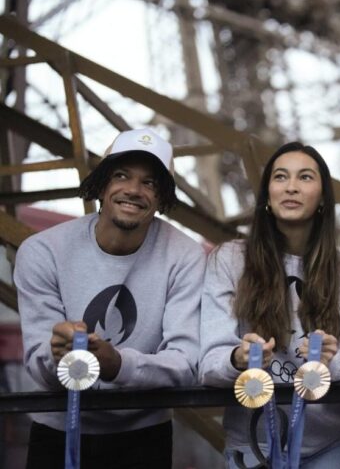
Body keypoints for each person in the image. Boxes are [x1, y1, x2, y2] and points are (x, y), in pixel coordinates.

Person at [15, 128, 205, 468]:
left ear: (162, 199)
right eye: (121, 175)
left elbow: (186, 363)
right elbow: (37, 364)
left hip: (145, 434)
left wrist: (117, 363)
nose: (133, 190)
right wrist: (56, 356)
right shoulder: (43, 251)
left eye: (149, 183)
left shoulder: (184, 256)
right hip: (57, 429)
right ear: (101, 185)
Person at [199, 142, 340, 468]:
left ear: (323, 198)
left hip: (332, 443)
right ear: (267, 195)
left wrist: (330, 361)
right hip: (253, 443)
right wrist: (236, 357)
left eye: (305, 177)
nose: (291, 186)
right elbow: (208, 363)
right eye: (280, 177)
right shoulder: (230, 260)